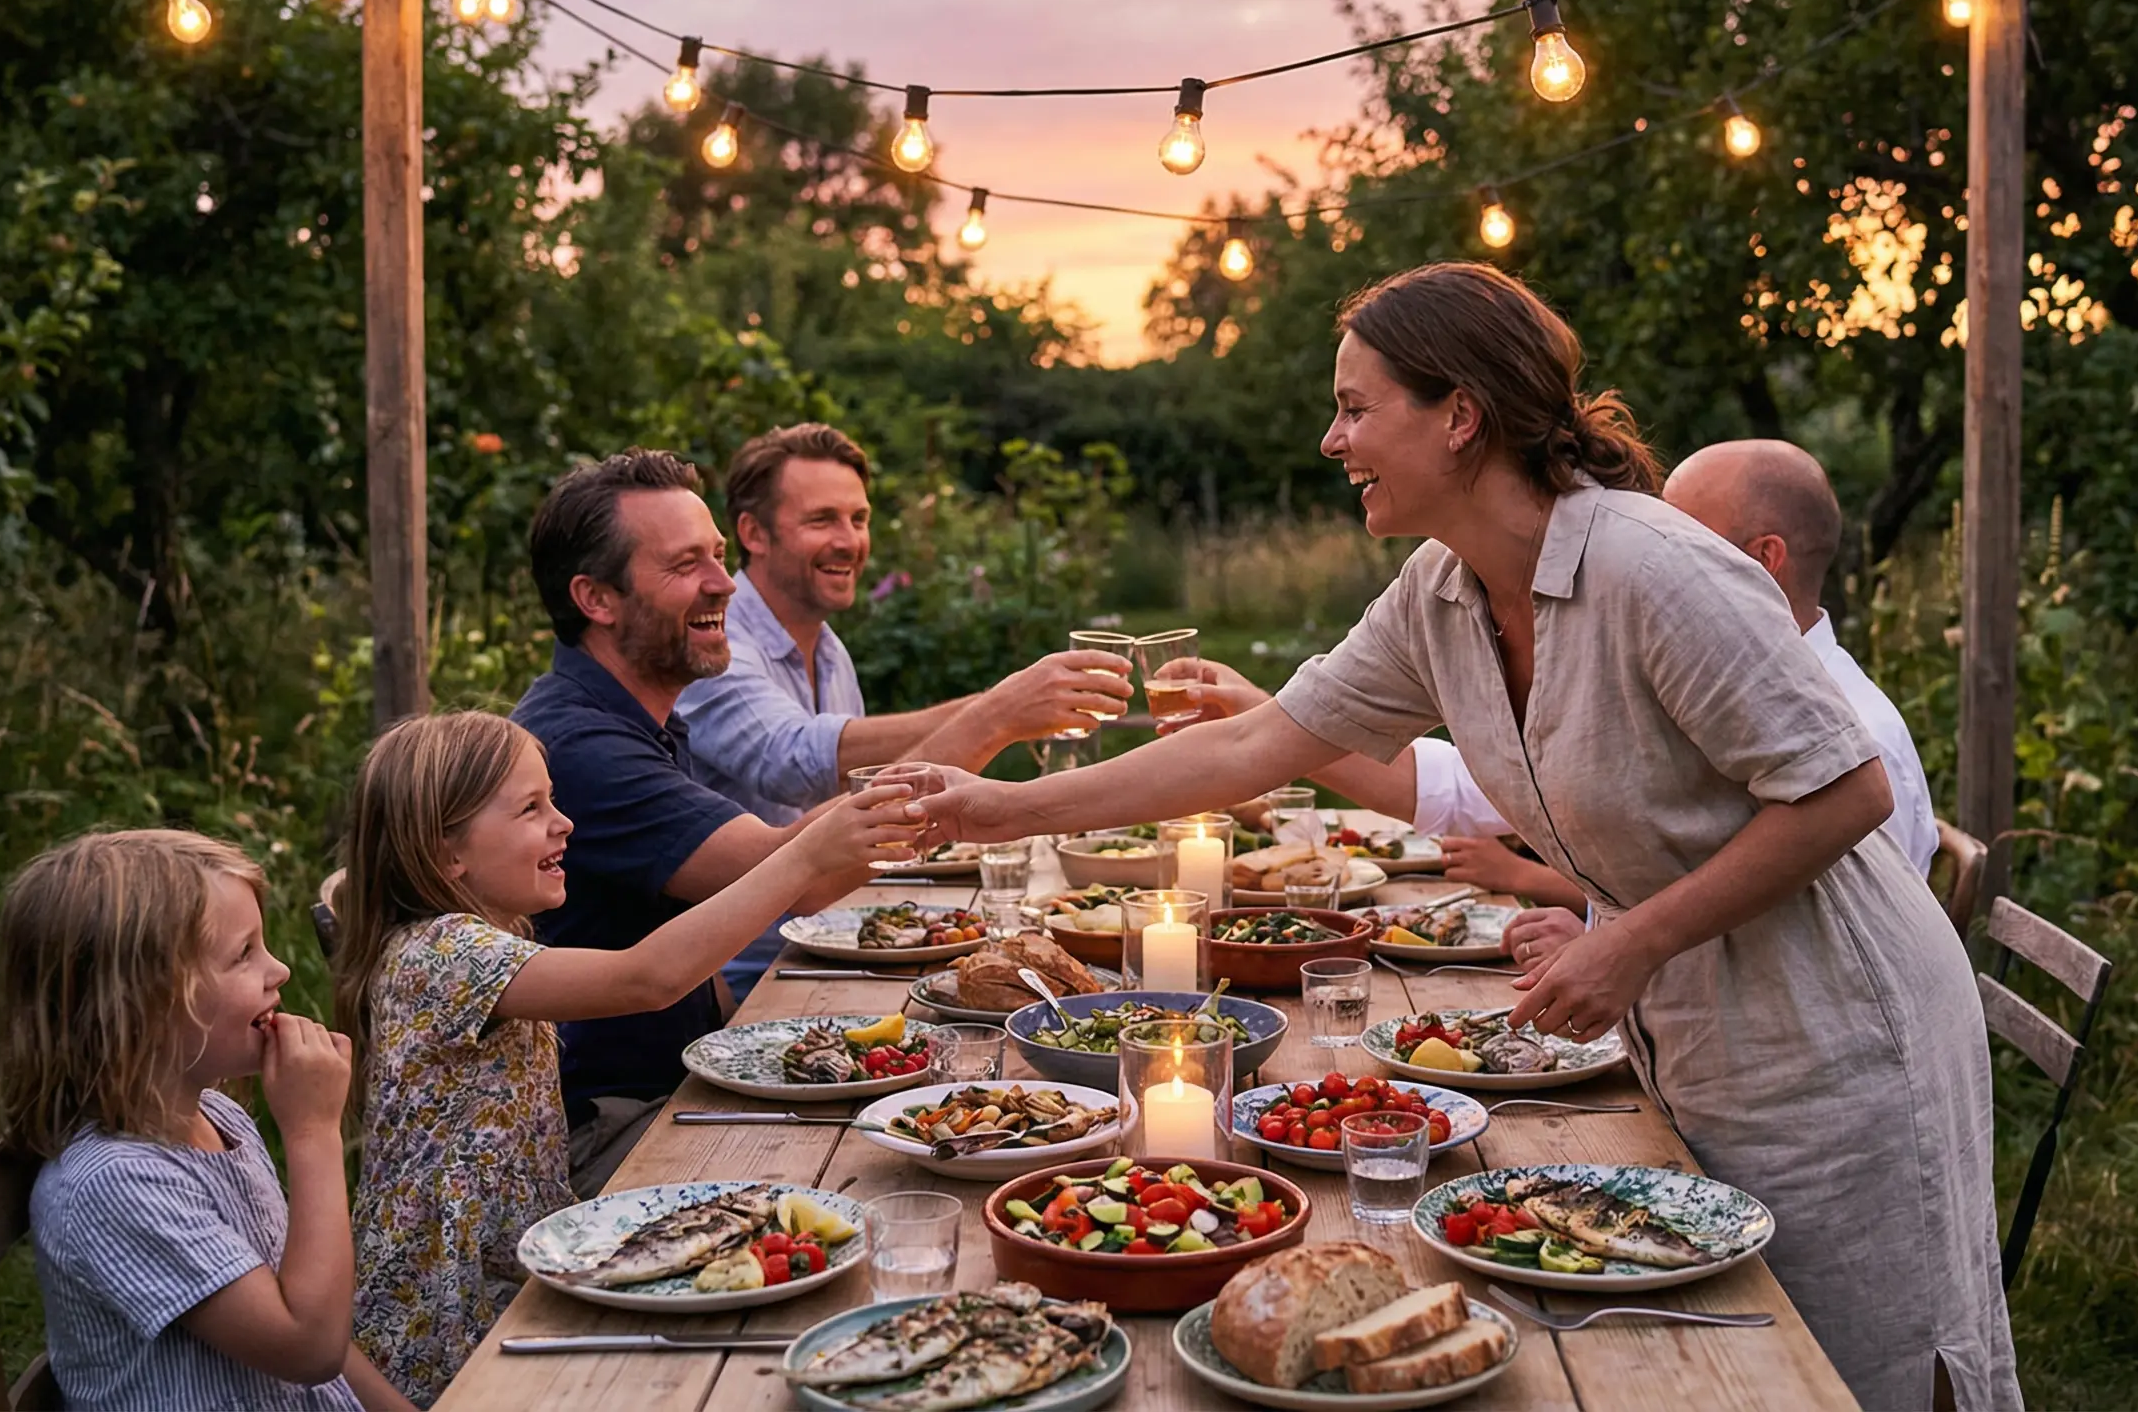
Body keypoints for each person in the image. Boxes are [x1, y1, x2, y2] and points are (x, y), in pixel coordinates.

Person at [914, 263, 2018, 1411]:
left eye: (1353, 407)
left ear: (1458, 415)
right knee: (1704, 1352)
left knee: (1844, 1365)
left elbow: (1844, 794)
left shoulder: (1655, 567)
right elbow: (1254, 749)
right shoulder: (1439, 591)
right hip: (1693, 1021)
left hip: (1843, 1032)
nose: (1330, 440)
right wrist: (995, 807)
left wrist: (1631, 941)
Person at [333, 712, 912, 1405]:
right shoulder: (445, 954)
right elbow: (649, 978)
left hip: (514, 1266)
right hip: (447, 1317)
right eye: (531, 808)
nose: (563, 823)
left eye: (552, 799)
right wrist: (802, 857)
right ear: (445, 854)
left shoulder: (482, 935)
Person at [1196, 436, 1946, 961]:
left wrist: (1610, 939)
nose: (1646, 545)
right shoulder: (1484, 597)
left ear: (1760, 560)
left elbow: (1847, 928)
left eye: (1676, 533)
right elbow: (1474, 785)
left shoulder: (1859, 727)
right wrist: (1272, 715)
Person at [507, 449, 907, 1194]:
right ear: (597, 598)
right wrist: (993, 719)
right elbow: (795, 874)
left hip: (677, 1084)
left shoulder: (642, 715)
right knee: (892, 1187)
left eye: (719, 557)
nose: (724, 584)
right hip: (609, 1130)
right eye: (686, 564)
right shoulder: (578, 746)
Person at [675, 423, 1133, 1002]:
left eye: (858, 519)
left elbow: (843, 793)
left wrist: (1007, 708)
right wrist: (998, 711)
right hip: (756, 979)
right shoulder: (716, 645)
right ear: (752, 533)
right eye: (822, 521)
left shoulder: (829, 649)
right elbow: (791, 759)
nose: (849, 541)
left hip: (843, 946)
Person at [0, 830, 411, 1412]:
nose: (280, 969)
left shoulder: (219, 1117)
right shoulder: (114, 1186)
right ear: (141, 1007)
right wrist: (313, 1133)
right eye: (243, 954)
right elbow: (308, 1345)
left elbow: (327, 1346)